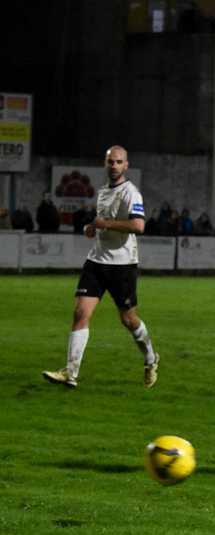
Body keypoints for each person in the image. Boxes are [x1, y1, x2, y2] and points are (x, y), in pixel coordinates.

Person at [42, 145, 160, 389]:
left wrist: (104, 223)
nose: (114, 165)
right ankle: (70, 372)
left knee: (128, 319)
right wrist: (92, 228)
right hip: (96, 261)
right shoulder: (104, 191)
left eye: (118, 162)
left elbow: (138, 226)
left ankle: (150, 358)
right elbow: (102, 223)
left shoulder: (131, 193)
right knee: (80, 313)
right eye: (110, 162)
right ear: (105, 164)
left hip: (123, 265)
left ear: (126, 165)